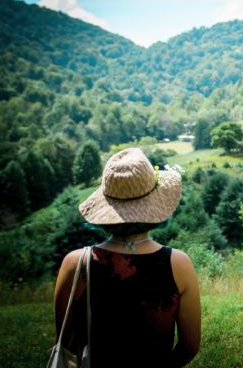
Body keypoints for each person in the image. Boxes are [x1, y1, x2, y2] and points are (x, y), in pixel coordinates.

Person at [53, 147, 201, 367]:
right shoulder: (178, 264)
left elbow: (66, 343)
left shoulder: (76, 263)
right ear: (153, 205)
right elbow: (189, 346)